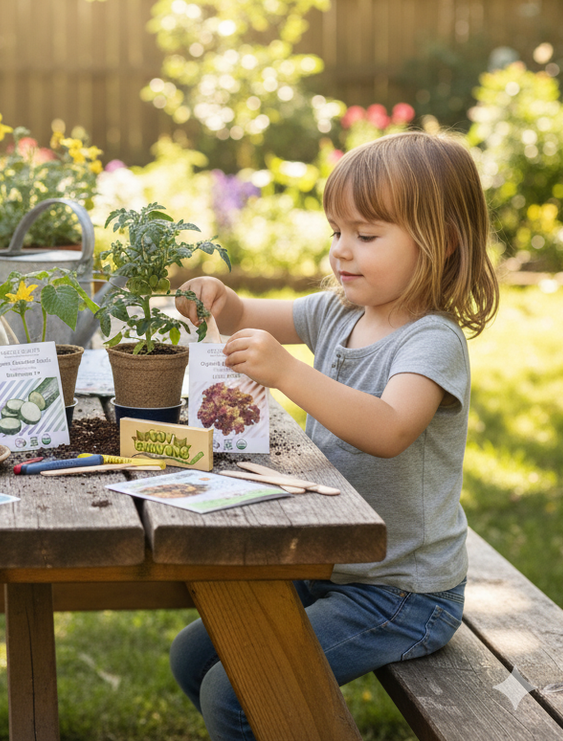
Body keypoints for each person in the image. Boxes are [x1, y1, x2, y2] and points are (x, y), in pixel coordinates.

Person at [170, 130, 499, 741]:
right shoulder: (337, 311)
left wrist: (289, 372)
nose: (342, 252)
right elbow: (244, 316)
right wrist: (218, 298)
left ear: (442, 243)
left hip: (402, 594)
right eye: (336, 232)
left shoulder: (431, 341)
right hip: (330, 563)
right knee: (193, 657)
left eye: (366, 236)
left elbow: (390, 428)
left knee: (235, 693)